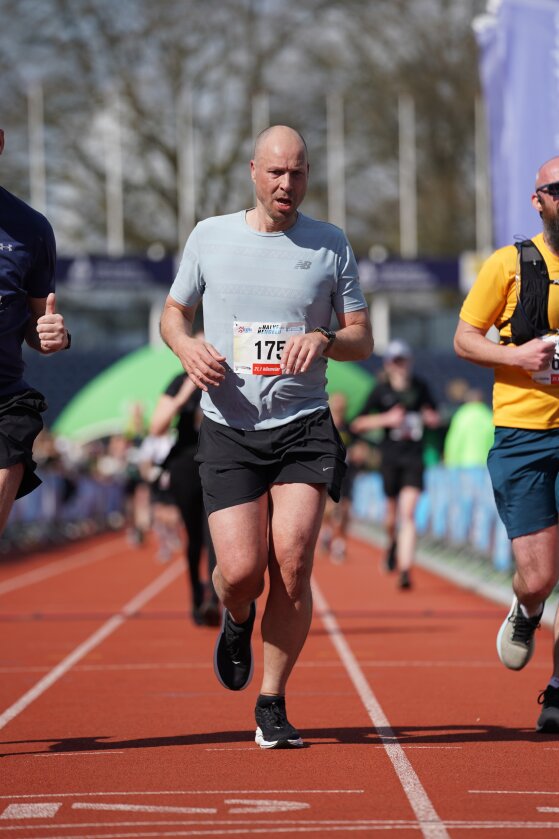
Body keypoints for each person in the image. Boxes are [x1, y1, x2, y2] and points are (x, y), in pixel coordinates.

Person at [160, 124, 373, 749]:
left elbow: (361, 336)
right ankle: (236, 616)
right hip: (228, 427)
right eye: (276, 172)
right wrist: (186, 348)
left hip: (303, 426)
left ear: (308, 176)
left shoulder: (331, 243)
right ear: (253, 171)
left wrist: (326, 338)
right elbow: (174, 314)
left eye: (297, 172)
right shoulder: (210, 236)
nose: (286, 183)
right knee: (242, 572)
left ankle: (272, 700)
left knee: (294, 562)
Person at [454, 154, 559, 734]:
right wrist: (516, 356)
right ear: (538, 201)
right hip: (523, 433)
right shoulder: (509, 265)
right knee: (540, 576)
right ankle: (527, 605)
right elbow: (465, 339)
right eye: (557, 190)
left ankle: (558, 691)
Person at [0, 127, 70, 536]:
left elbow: (38, 324)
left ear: (0, 142)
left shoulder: (31, 228)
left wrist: (51, 335)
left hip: (4, 402)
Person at [350, 339, 440, 590]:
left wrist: (430, 418)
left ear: (409, 362)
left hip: (414, 458)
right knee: (391, 517)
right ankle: (392, 543)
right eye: (395, 361)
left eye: (403, 360)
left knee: (408, 514)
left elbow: (435, 415)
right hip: (390, 458)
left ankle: (405, 570)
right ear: (388, 364)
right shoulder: (380, 390)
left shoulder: (420, 387)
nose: (400, 366)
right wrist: (386, 419)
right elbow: (357, 423)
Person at [149, 369, 220, 626]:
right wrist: (184, 394)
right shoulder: (180, 380)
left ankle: (214, 598)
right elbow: (157, 428)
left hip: (220, 462)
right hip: (186, 464)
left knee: (215, 534)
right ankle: (196, 597)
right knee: (194, 537)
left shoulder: (230, 375)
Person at [443, 387, 494, 468]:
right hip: (485, 463)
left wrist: (450, 462)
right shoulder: (488, 415)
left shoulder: (461, 415)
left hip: (464, 464)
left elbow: (454, 441)